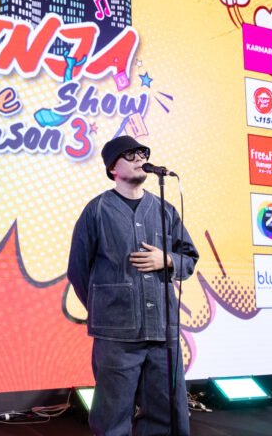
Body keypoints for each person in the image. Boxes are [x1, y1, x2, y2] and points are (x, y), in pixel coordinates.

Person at [67, 135, 199, 436]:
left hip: (163, 329)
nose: (140, 158)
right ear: (113, 168)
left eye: (142, 152)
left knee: (167, 413)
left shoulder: (165, 210)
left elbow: (189, 258)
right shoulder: (97, 210)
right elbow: (78, 270)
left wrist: (168, 259)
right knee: (112, 415)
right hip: (116, 334)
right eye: (130, 154)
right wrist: (107, 305)